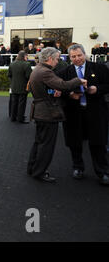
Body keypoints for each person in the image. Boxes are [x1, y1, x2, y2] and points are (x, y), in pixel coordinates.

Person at [27, 47, 86, 183]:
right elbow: (63, 85)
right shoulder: (46, 72)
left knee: (39, 143)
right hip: (47, 113)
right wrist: (79, 80)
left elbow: (42, 89)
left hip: (40, 111)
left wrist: (52, 92)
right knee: (46, 145)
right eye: (57, 59)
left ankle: (33, 168)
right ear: (50, 58)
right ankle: (40, 172)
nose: (58, 62)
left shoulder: (38, 69)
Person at [56, 44, 109, 185]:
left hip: (96, 113)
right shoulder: (64, 72)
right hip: (74, 114)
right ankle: (78, 167)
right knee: (75, 142)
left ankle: (102, 172)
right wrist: (70, 94)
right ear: (69, 58)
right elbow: (58, 91)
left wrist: (97, 89)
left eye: (79, 55)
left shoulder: (100, 68)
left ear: (84, 54)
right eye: (73, 56)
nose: (77, 59)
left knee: (98, 143)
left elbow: (108, 85)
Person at [8, 51, 32, 123]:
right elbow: (29, 76)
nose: (27, 58)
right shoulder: (27, 64)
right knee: (22, 103)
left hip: (14, 86)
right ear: (24, 56)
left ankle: (13, 117)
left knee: (14, 102)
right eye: (26, 56)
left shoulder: (12, 64)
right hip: (23, 87)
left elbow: (9, 75)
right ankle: (20, 118)